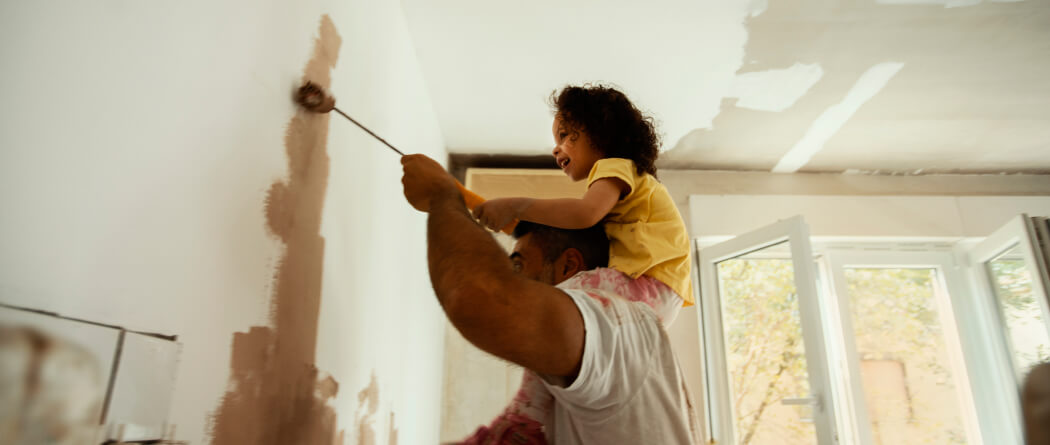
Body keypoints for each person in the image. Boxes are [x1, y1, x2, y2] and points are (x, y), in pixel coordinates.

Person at [401, 155, 701, 444]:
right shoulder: (588, 360)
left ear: (569, 266)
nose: (513, 279)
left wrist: (443, 196)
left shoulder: (618, 328)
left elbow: (480, 301)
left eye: (518, 265)